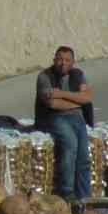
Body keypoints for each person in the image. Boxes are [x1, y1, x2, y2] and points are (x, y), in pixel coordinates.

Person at [35, 45, 95, 201]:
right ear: (54, 60)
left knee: (84, 157)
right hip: (53, 117)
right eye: (60, 59)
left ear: (73, 62)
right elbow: (52, 104)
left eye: (67, 60)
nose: (63, 63)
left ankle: (85, 197)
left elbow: (87, 97)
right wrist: (77, 100)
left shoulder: (78, 74)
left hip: (76, 117)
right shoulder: (44, 76)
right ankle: (67, 192)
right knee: (70, 144)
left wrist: (61, 94)